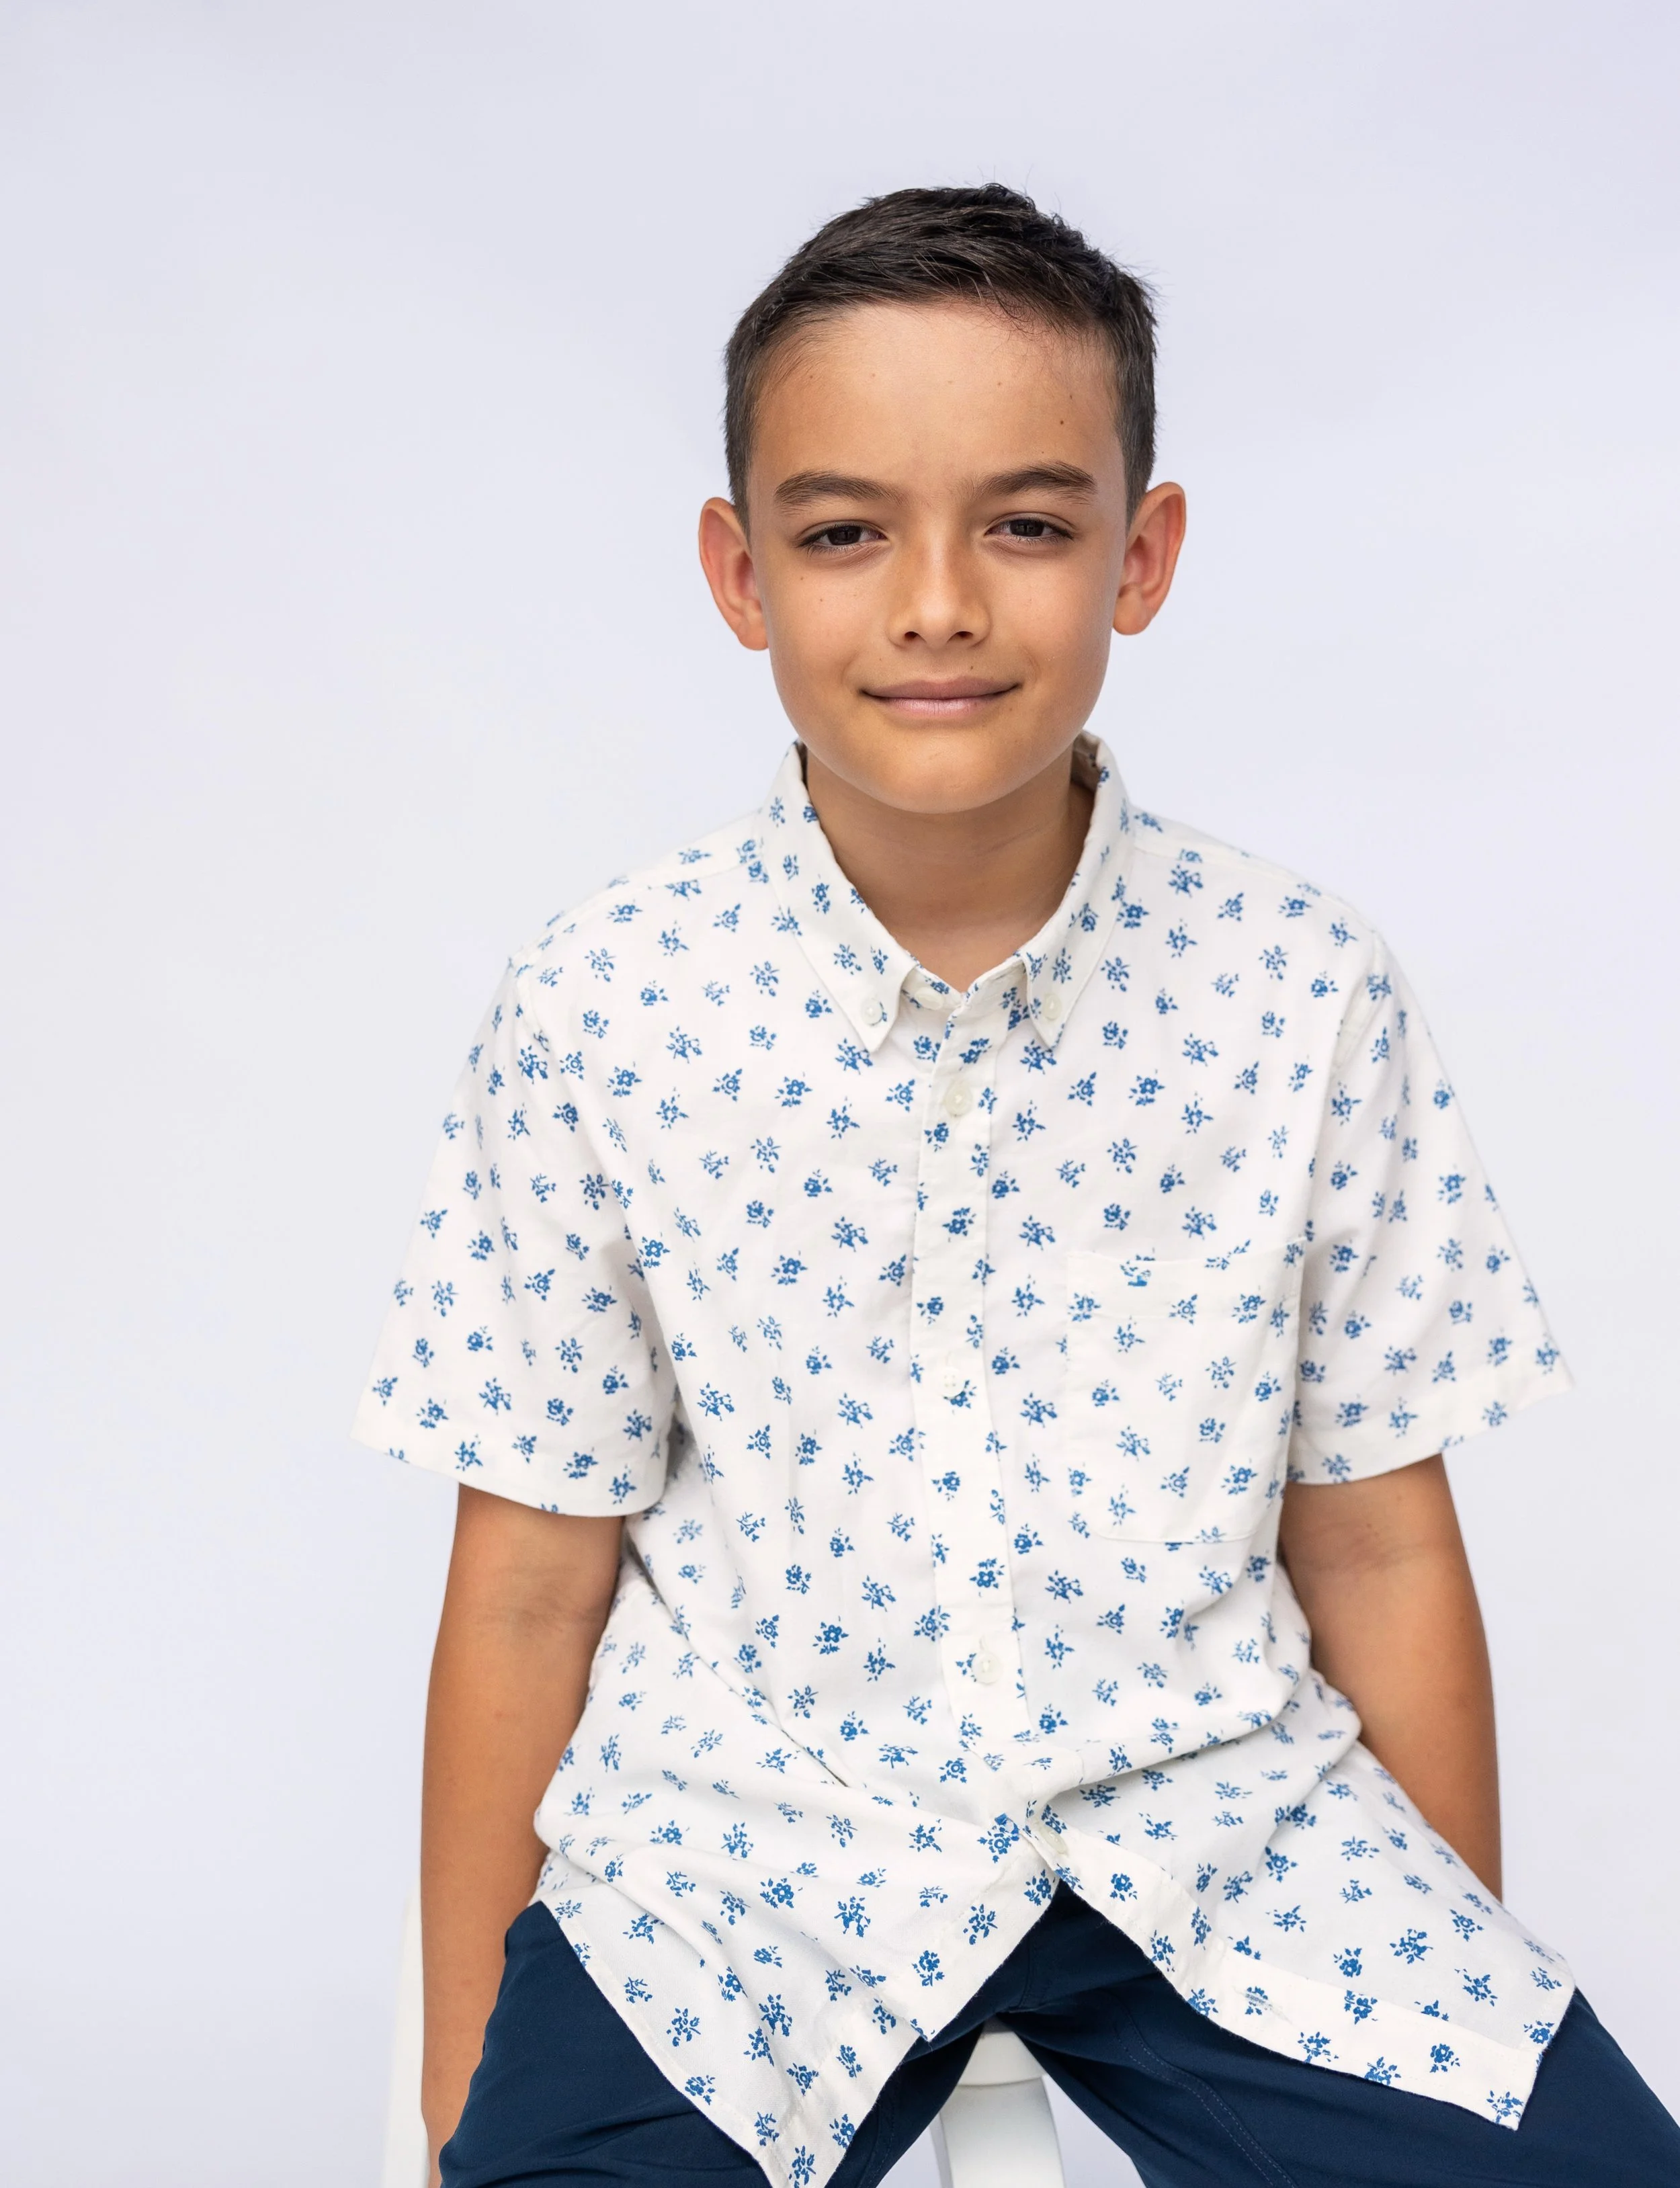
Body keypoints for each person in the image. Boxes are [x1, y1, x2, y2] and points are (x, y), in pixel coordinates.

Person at [353, 185, 1678, 2188]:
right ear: (737, 572)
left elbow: (1380, 1546)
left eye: (1028, 526)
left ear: (1140, 555)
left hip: (1227, 1827)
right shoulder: (604, 1005)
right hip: (742, 1863)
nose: (938, 604)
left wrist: (1448, 1991)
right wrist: (465, 2084)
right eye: (843, 532)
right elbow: (532, 1575)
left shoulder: (1300, 988)